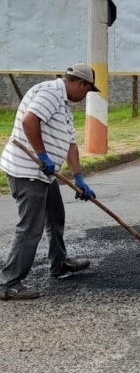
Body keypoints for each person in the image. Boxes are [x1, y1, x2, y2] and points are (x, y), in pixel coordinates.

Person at [0, 64, 99, 300]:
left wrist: (78, 177)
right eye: (86, 91)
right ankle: (8, 284)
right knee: (30, 227)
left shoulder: (63, 104)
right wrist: (42, 155)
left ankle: (59, 263)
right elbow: (29, 120)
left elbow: (71, 144)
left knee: (56, 216)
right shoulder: (50, 93)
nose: (84, 97)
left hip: (45, 173)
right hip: (27, 171)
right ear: (80, 84)